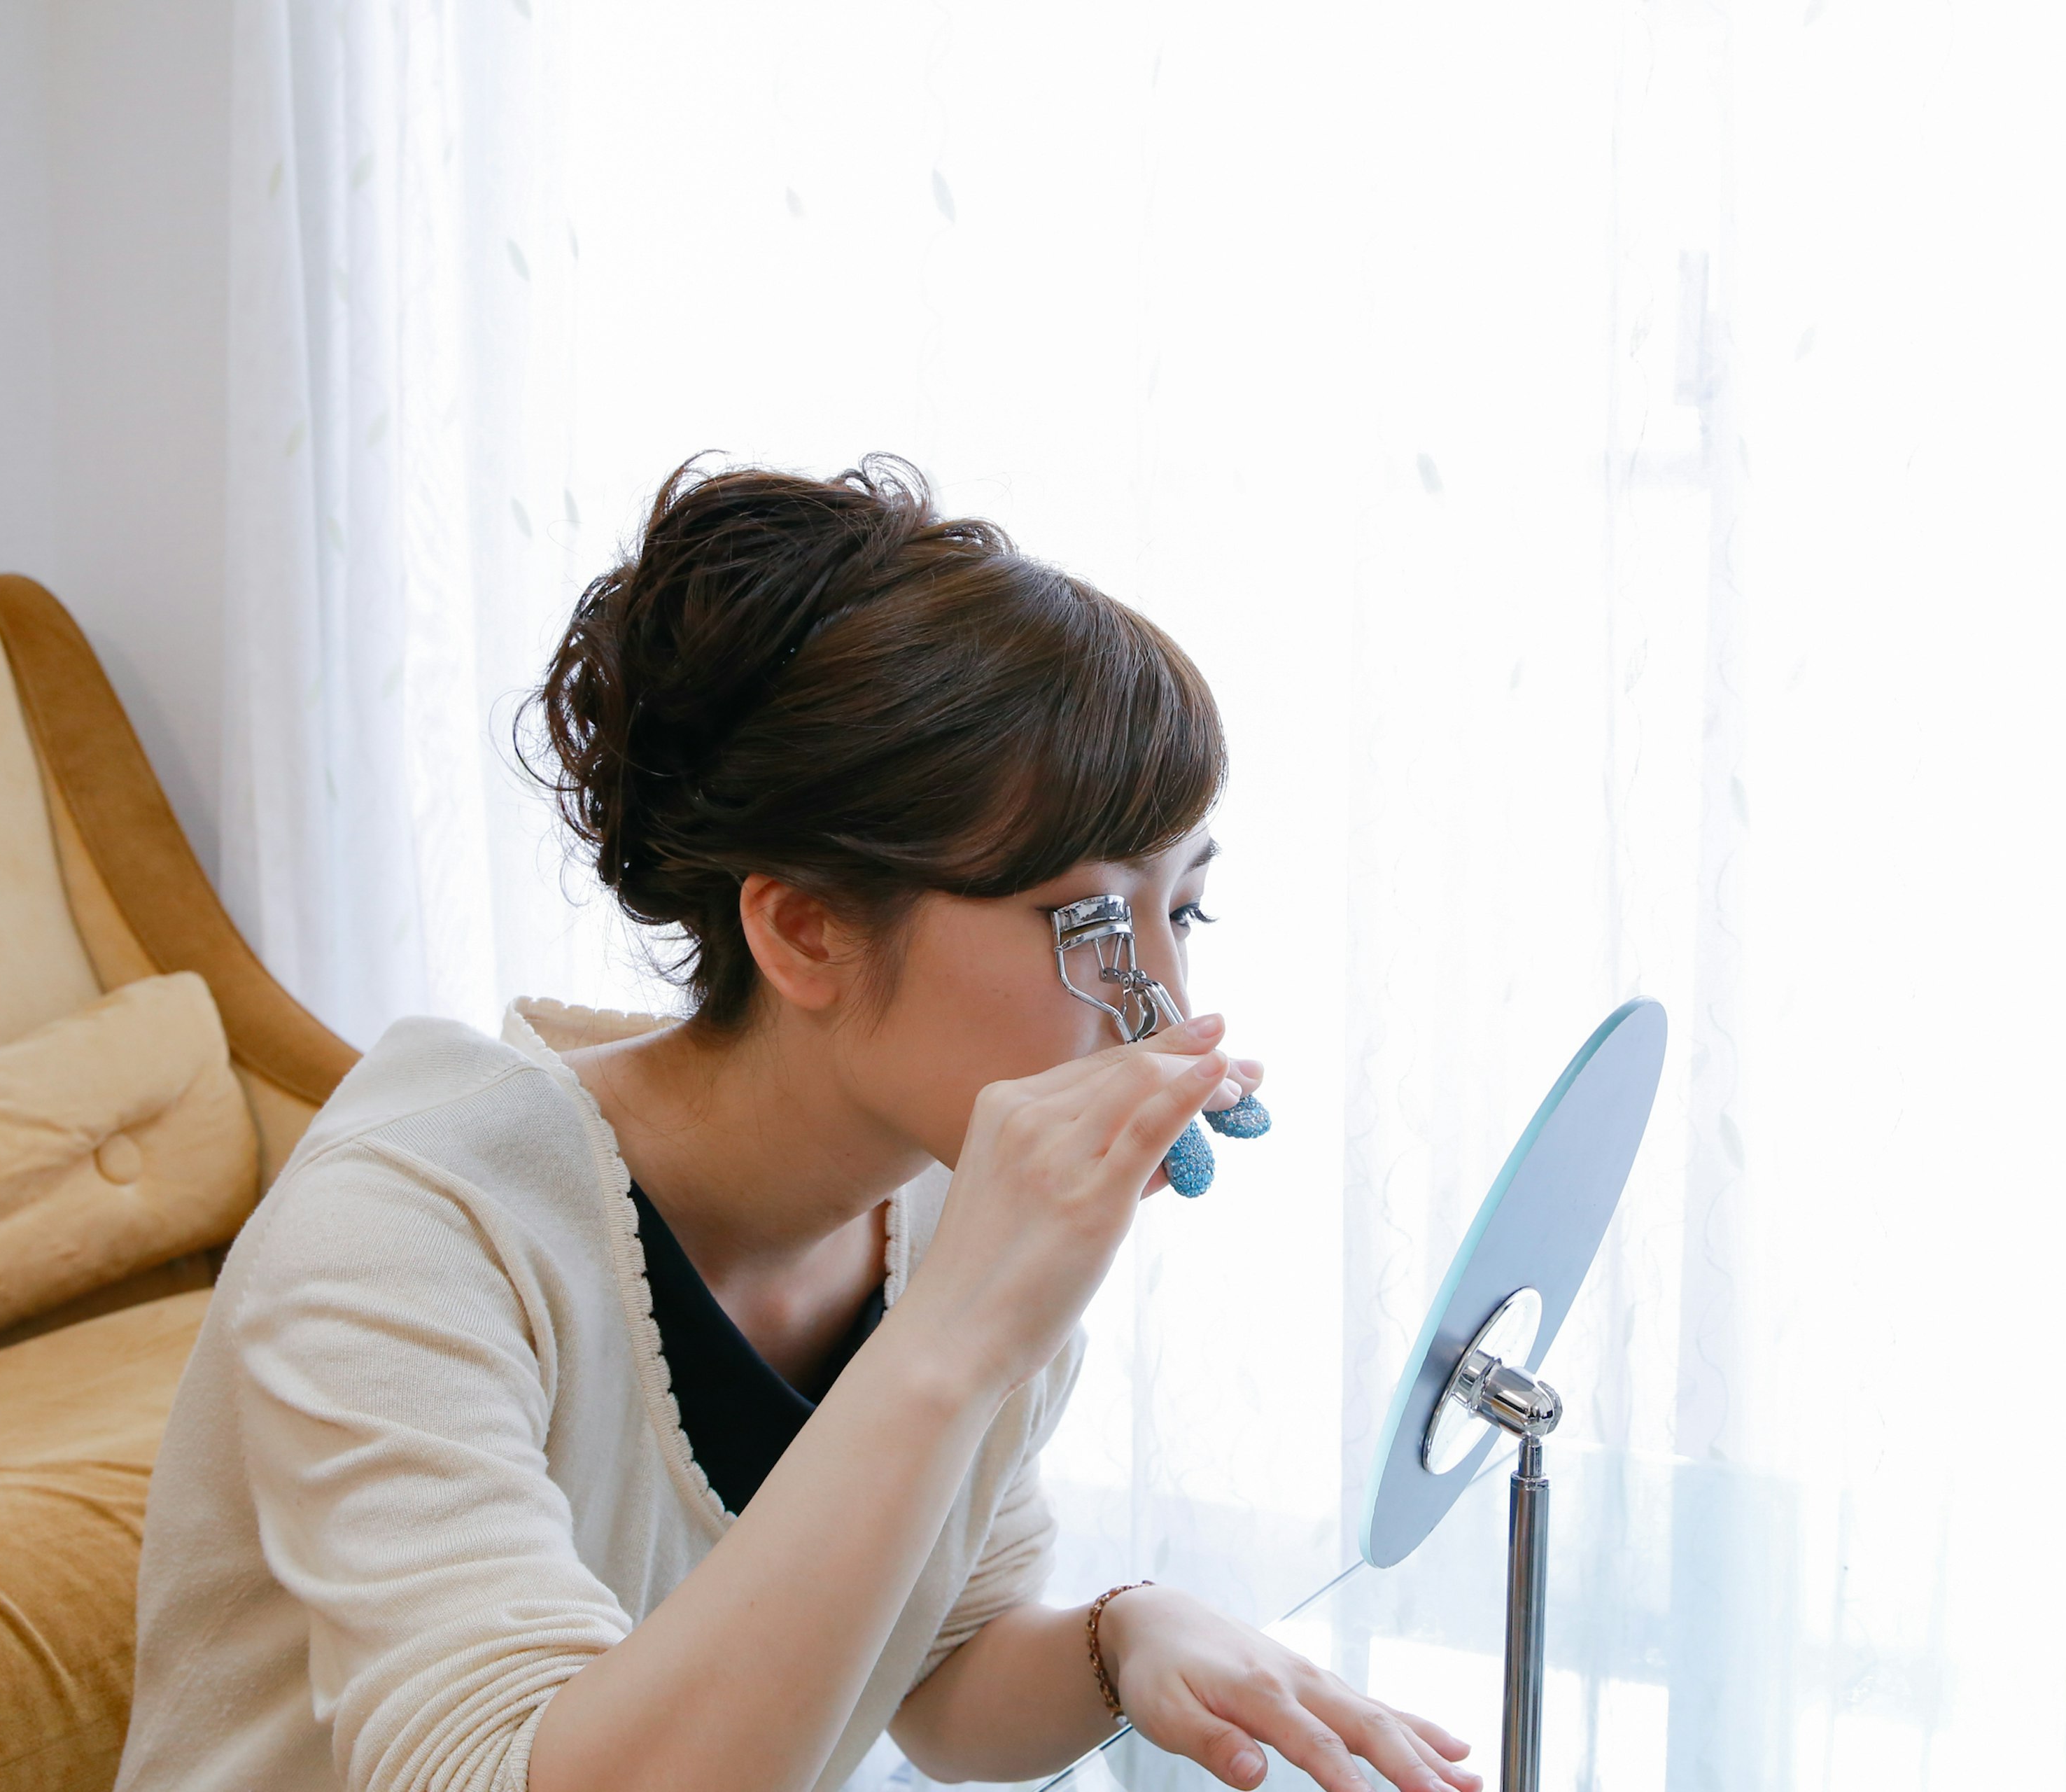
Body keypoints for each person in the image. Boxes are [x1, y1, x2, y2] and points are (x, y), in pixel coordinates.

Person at [115, 457, 1481, 1792]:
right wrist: (955, 1339)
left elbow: (934, 1675)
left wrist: (1124, 1641)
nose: (1167, 1012)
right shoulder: (411, 1227)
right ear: (806, 927)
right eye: (1085, 922)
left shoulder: (954, 1197)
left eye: (1178, 910)